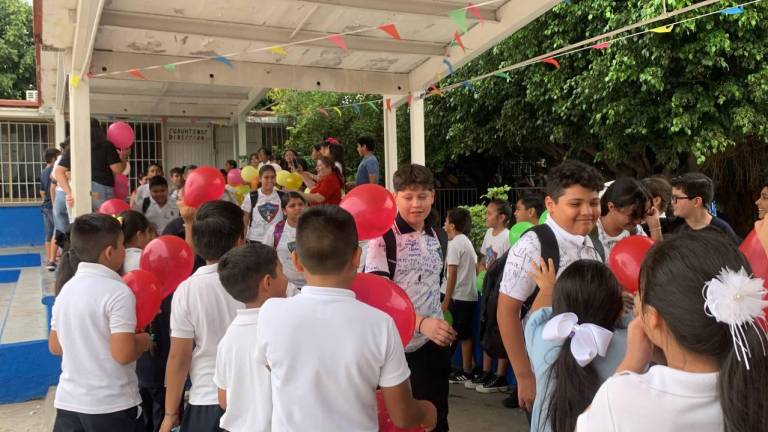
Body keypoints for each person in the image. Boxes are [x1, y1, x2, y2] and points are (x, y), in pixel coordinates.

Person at [256, 206, 438, 431]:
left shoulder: (270, 314)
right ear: (356, 257)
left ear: (296, 260)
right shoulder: (381, 324)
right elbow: (402, 416)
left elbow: (271, 366)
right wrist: (427, 411)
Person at [576, 229, 768, 431]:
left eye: (639, 297)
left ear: (652, 318)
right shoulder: (756, 386)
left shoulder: (620, 398)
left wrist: (631, 364)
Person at [497, 160, 605, 412]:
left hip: (588, 371)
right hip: (548, 374)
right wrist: (524, 377)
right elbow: (507, 312)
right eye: (576, 204)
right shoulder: (534, 246)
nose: (588, 211)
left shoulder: (590, 242)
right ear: (550, 205)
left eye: (594, 202)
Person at [365, 164, 456, 432]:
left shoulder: (439, 234)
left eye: (422, 196)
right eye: (407, 197)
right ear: (395, 198)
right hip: (396, 348)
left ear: (433, 196)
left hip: (434, 344)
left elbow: (434, 283)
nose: (416, 204)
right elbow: (378, 299)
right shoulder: (382, 238)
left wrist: (436, 323)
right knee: (399, 420)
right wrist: (420, 322)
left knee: (437, 417)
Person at [49, 214, 150, 431]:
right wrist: (143, 339)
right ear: (109, 252)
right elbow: (123, 354)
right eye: (122, 244)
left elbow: (55, 346)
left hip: (69, 403)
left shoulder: (66, 289)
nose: (125, 250)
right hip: (111, 405)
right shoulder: (118, 292)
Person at [161, 201, 246, 432]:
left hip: (206, 401)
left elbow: (179, 356)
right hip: (255, 400)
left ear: (196, 244)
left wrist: (170, 414)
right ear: (240, 239)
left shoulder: (187, 290)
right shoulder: (263, 281)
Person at [524, 259, 626, 432]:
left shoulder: (542, 337)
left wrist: (549, 290)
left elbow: (539, 314)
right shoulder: (627, 346)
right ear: (617, 309)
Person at [214, 244, 288, 432]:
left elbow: (223, 400)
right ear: (268, 282)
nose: (287, 278)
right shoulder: (285, 328)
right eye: (282, 271)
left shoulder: (228, 339)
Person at [470, 199, 516, 397]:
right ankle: (486, 370)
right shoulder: (489, 233)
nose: (486, 216)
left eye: (489, 213)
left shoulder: (507, 237)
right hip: (486, 287)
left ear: (502, 217)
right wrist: (481, 270)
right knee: (486, 325)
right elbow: (483, 258)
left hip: (500, 288)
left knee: (499, 329)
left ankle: (500, 374)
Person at [55, 119, 128, 211]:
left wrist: (69, 193)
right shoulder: (106, 145)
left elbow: (58, 172)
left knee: (82, 222)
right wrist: (124, 157)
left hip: (80, 188)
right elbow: (117, 169)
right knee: (103, 220)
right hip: (101, 188)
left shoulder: (74, 147)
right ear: (99, 130)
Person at [441, 208, 478, 385]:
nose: (444, 225)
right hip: (466, 294)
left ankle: (467, 371)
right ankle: (466, 368)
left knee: (460, 334)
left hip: (458, 296)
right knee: (462, 334)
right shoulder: (465, 241)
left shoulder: (455, 244)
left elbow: (452, 274)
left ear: (452, 225)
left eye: (446, 221)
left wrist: (446, 301)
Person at [596, 177, 660, 259]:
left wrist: (655, 226)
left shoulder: (636, 232)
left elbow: (658, 261)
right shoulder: (588, 234)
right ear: (611, 207)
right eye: (633, 216)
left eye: (642, 215)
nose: (638, 222)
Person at [670, 173, 740, 243]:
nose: (672, 202)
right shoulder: (677, 230)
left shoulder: (722, 231)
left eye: (676, 198)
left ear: (696, 201)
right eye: (672, 198)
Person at [262, 191, 306, 296]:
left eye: (300, 204)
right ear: (284, 211)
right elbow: (264, 255)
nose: (297, 208)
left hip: (312, 285)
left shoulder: (315, 228)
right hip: (286, 287)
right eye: (292, 206)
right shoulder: (275, 230)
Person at [241, 165, 284, 244]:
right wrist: (243, 240)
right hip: (256, 240)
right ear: (260, 179)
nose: (270, 180)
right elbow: (245, 221)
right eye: (266, 177)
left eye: (272, 177)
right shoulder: (251, 196)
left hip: (277, 240)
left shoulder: (282, 196)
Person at [41, 147, 61, 270]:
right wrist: (54, 204)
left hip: (45, 206)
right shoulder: (54, 171)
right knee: (57, 231)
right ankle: (55, 257)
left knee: (49, 234)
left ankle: (50, 258)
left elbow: (42, 191)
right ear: (54, 159)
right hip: (52, 205)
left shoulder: (43, 171)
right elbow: (51, 189)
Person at [51, 139, 71, 237]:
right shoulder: (62, 158)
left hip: (60, 192)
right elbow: (55, 176)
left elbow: (53, 177)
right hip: (67, 192)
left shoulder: (59, 159)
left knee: (60, 229)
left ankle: (64, 249)